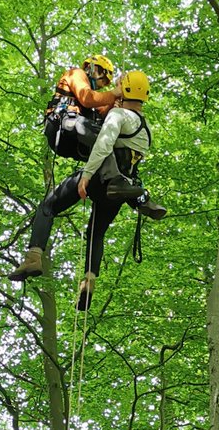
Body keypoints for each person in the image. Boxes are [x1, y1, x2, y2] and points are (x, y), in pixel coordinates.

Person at [11, 70, 167, 309]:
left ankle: (34, 256)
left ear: (124, 91)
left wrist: (86, 175)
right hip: (118, 192)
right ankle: (89, 280)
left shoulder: (118, 115)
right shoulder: (146, 130)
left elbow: (104, 144)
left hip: (101, 181)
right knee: (97, 232)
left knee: (48, 206)